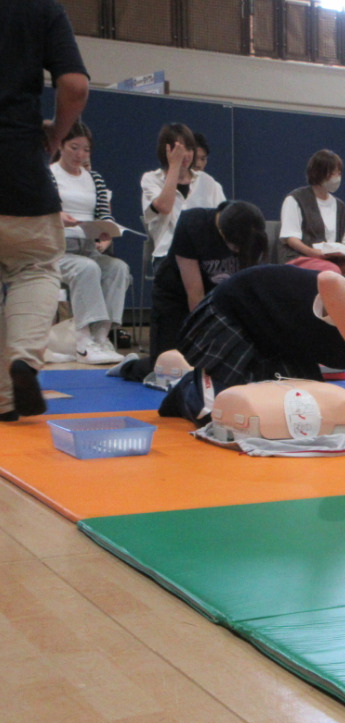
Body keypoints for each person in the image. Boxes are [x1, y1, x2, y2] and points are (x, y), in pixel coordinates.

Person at [158, 264, 345, 426]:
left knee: (304, 414)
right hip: (236, 314)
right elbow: (329, 280)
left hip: (278, 341)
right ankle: (190, 387)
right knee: (220, 415)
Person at [0, 0, 89, 420]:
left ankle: (2, 400)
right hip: (20, 165)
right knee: (35, 266)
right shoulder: (40, 8)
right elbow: (74, 86)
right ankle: (23, 361)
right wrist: (56, 135)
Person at [114, 200, 269, 383]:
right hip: (176, 296)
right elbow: (194, 293)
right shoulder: (193, 224)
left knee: (218, 365)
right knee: (167, 370)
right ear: (223, 234)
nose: (238, 252)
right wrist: (205, 337)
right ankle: (128, 366)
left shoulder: (252, 234)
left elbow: (247, 286)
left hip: (219, 296)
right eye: (235, 248)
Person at [49, 120, 130, 365]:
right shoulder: (49, 174)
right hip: (58, 249)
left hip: (87, 247)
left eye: (85, 150)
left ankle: (101, 337)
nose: (80, 155)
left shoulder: (95, 178)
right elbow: (40, 211)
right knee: (87, 269)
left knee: (118, 268)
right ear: (61, 145)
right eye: (74, 148)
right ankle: (83, 341)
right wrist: (58, 216)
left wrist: (105, 230)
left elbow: (103, 213)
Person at [279, 148, 345, 286]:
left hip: (333, 261)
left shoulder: (340, 206)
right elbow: (290, 238)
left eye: (339, 173)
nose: (337, 177)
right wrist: (312, 252)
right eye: (332, 173)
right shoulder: (295, 199)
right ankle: (331, 307)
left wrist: (343, 251)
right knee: (330, 270)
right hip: (301, 258)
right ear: (318, 173)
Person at [142, 123, 227, 274]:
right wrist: (174, 166)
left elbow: (224, 218)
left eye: (189, 149)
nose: (186, 155)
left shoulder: (208, 182)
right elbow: (165, 206)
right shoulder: (151, 179)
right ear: (166, 150)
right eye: (179, 150)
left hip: (205, 255)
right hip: (168, 255)